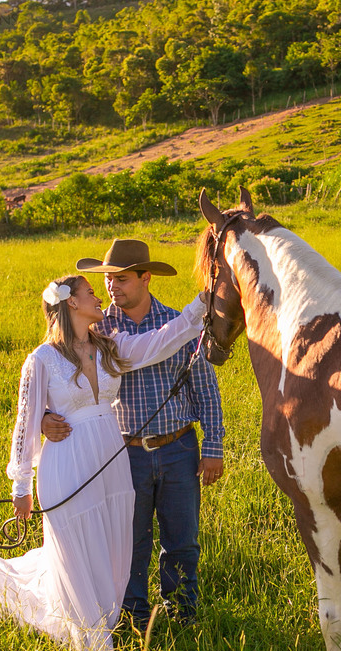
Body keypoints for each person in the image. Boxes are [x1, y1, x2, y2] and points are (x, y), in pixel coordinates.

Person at [0, 272, 207, 651]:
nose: (100, 297)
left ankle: (106, 620)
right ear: (71, 302)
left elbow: (161, 341)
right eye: (91, 292)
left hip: (111, 462)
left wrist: (201, 305)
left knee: (112, 546)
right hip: (67, 462)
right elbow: (24, 423)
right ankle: (96, 647)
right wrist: (21, 487)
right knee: (76, 548)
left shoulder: (110, 346)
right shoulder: (41, 359)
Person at [43, 238, 224, 625]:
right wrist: (44, 415)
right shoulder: (96, 328)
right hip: (123, 452)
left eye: (121, 279)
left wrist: (213, 446)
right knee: (129, 541)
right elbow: (53, 373)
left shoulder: (176, 322)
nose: (112, 287)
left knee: (183, 539)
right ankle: (135, 616)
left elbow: (205, 388)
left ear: (146, 278)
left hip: (178, 446)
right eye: (107, 279)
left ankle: (182, 611)